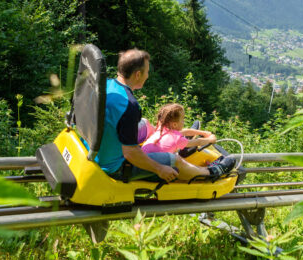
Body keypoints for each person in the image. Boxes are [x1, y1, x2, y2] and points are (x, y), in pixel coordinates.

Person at [95, 48, 235, 183]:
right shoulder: (129, 105)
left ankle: (171, 139)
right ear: (137, 74)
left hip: (100, 149)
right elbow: (130, 153)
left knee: (145, 123)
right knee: (175, 160)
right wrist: (159, 168)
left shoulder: (106, 85)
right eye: (147, 72)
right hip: (116, 167)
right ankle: (211, 172)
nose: (148, 76)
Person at [141, 103, 216, 155]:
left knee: (178, 144)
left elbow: (185, 131)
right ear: (174, 124)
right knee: (180, 156)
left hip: (143, 157)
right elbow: (198, 142)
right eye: (183, 119)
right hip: (152, 165)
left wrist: (203, 133)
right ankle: (185, 143)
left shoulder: (162, 128)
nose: (184, 121)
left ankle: (186, 140)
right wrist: (210, 139)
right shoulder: (176, 139)